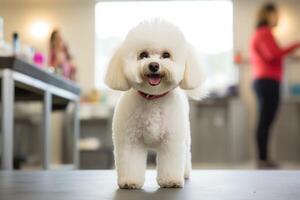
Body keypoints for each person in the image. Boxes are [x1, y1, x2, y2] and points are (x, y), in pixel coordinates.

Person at [250, 2, 300, 169]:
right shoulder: (264, 33)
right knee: (265, 121)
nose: (276, 17)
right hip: (267, 82)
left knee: (266, 121)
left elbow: (274, 55)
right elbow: (272, 55)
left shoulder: (265, 33)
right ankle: (262, 160)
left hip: (267, 82)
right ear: (266, 15)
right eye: (274, 14)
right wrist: (296, 44)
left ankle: (264, 159)